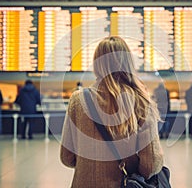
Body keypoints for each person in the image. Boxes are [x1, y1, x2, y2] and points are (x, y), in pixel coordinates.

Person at [60, 36, 163, 187]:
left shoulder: (78, 100)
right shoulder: (140, 101)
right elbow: (151, 164)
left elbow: (67, 157)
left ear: (96, 64)